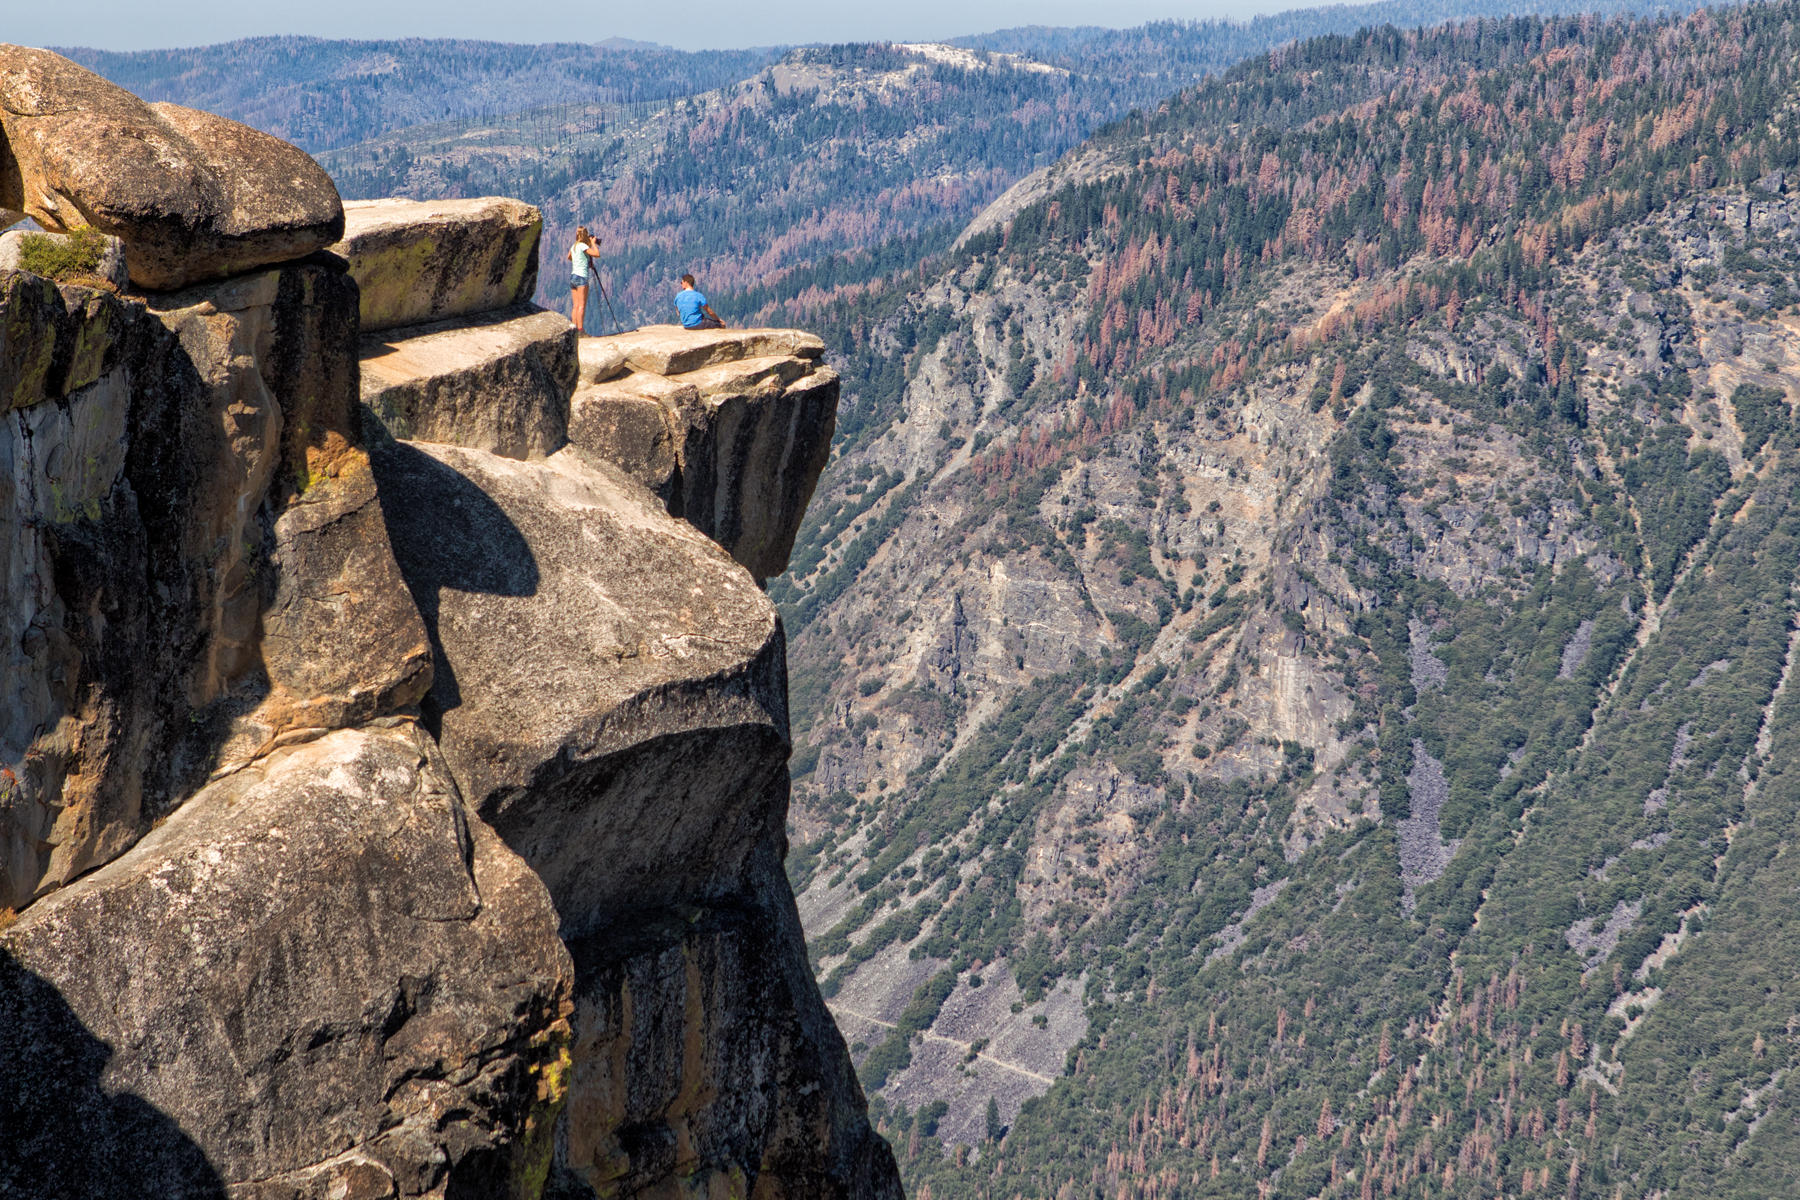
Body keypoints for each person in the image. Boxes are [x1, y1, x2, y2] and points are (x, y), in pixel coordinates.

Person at [569, 226, 602, 331]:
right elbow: (597, 254)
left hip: (573, 276)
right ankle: (580, 329)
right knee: (581, 306)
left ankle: (573, 329)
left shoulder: (574, 246)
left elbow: (569, 257)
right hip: (582, 276)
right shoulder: (583, 246)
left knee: (575, 306)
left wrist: (581, 260)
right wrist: (592, 243)